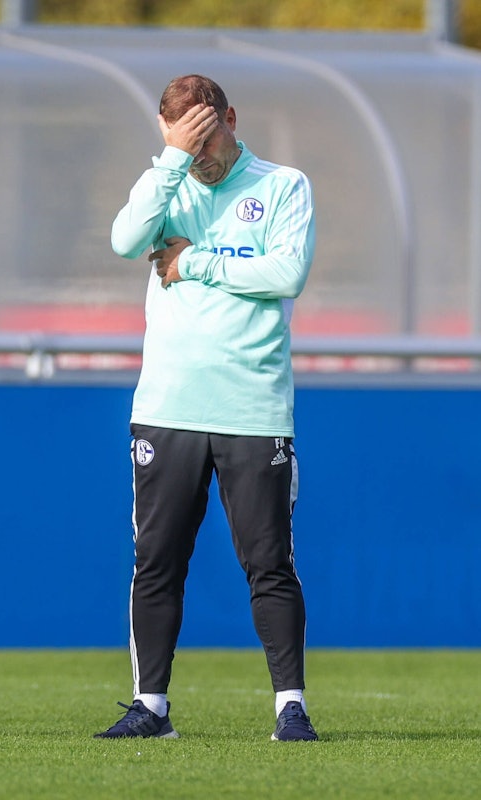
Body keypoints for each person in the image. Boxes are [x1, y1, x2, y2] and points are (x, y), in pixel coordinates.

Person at [95, 75, 318, 742]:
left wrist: (194, 263)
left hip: (251, 407)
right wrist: (170, 161)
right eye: (184, 144)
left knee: (267, 562)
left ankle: (290, 707)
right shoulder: (166, 185)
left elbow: (285, 275)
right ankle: (149, 708)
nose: (202, 157)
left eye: (207, 137)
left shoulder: (281, 186)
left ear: (230, 117)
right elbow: (123, 239)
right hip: (168, 406)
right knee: (156, 560)